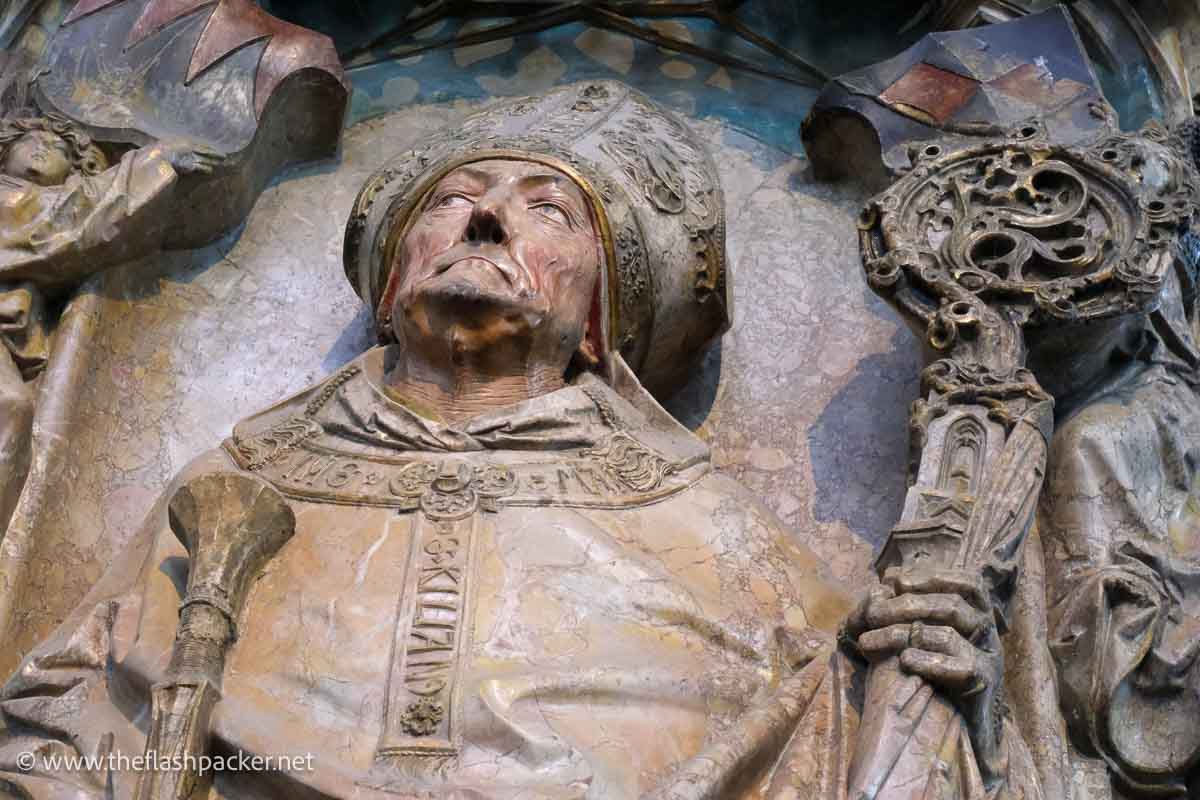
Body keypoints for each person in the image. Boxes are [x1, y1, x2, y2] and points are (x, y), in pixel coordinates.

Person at [0, 83, 1040, 799]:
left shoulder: (704, 533)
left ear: (600, 312)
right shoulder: (233, 487)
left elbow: (819, 736)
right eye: (451, 201)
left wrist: (911, 668)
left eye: (549, 210)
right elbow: (63, 715)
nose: (485, 221)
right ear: (392, 279)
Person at [1036, 124, 1200, 798]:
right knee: (1086, 445)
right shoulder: (1149, 165)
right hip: (1138, 375)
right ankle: (1126, 657)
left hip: (1173, 382)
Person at [0, 112, 220, 535]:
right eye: (30, 139)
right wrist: (158, 159)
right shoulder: (11, 201)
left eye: (61, 149)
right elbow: (70, 218)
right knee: (8, 407)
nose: (43, 147)